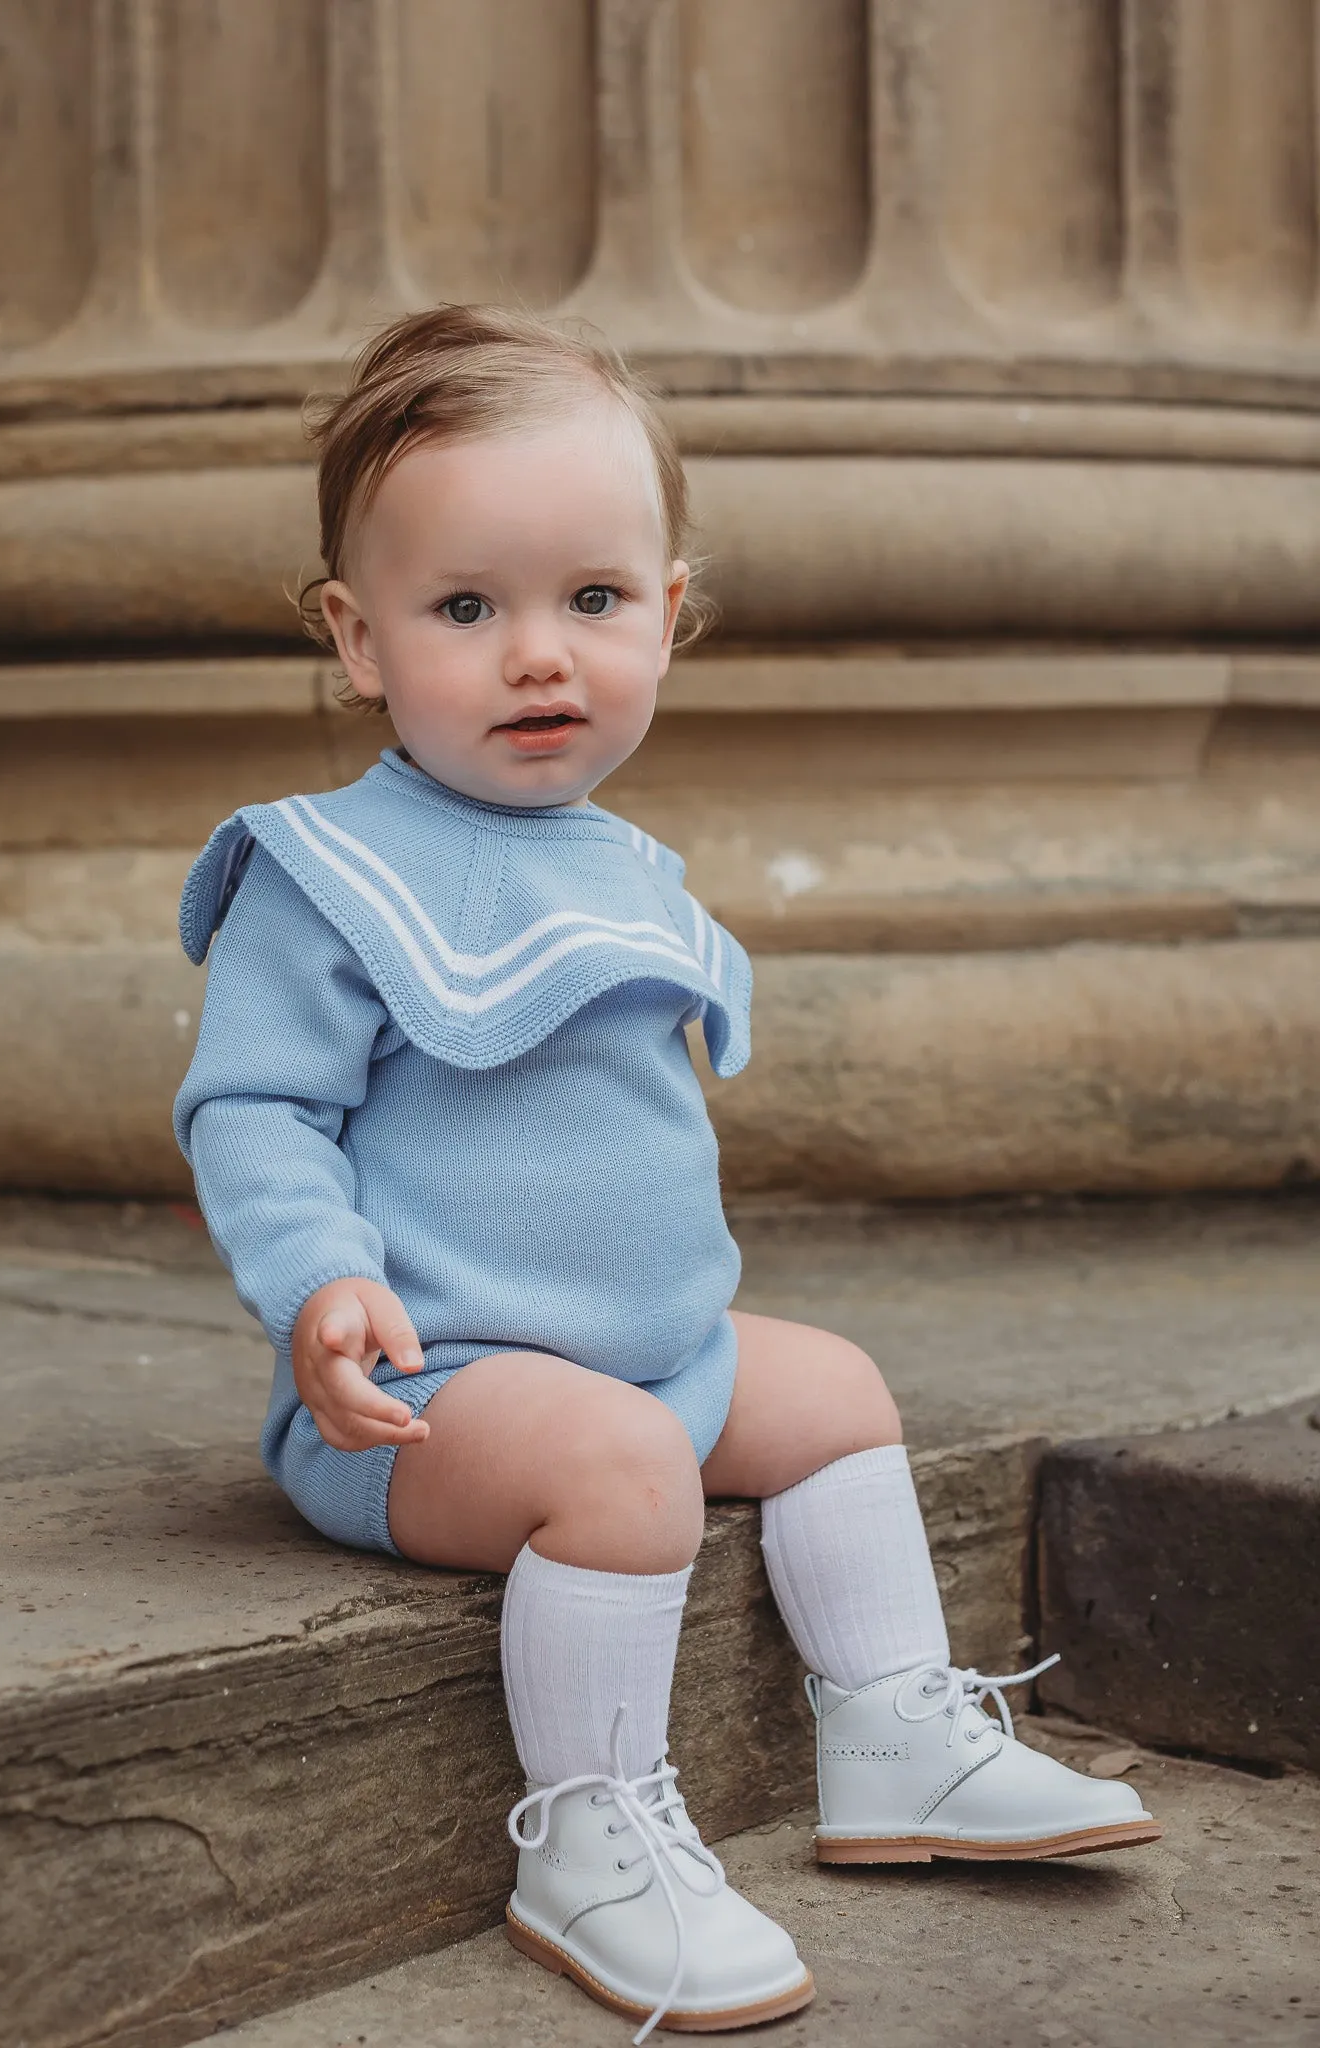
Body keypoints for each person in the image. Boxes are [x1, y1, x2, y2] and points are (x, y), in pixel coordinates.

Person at [173, 304, 1160, 2042]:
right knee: (627, 1469)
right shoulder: (326, 872)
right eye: (465, 609)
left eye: (594, 602)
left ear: (673, 615)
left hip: (649, 1358)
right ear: (357, 638)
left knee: (834, 1387)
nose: (538, 655)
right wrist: (322, 1286)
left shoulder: (626, 866)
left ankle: (893, 1737)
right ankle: (592, 1839)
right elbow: (251, 1113)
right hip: (428, 1403)